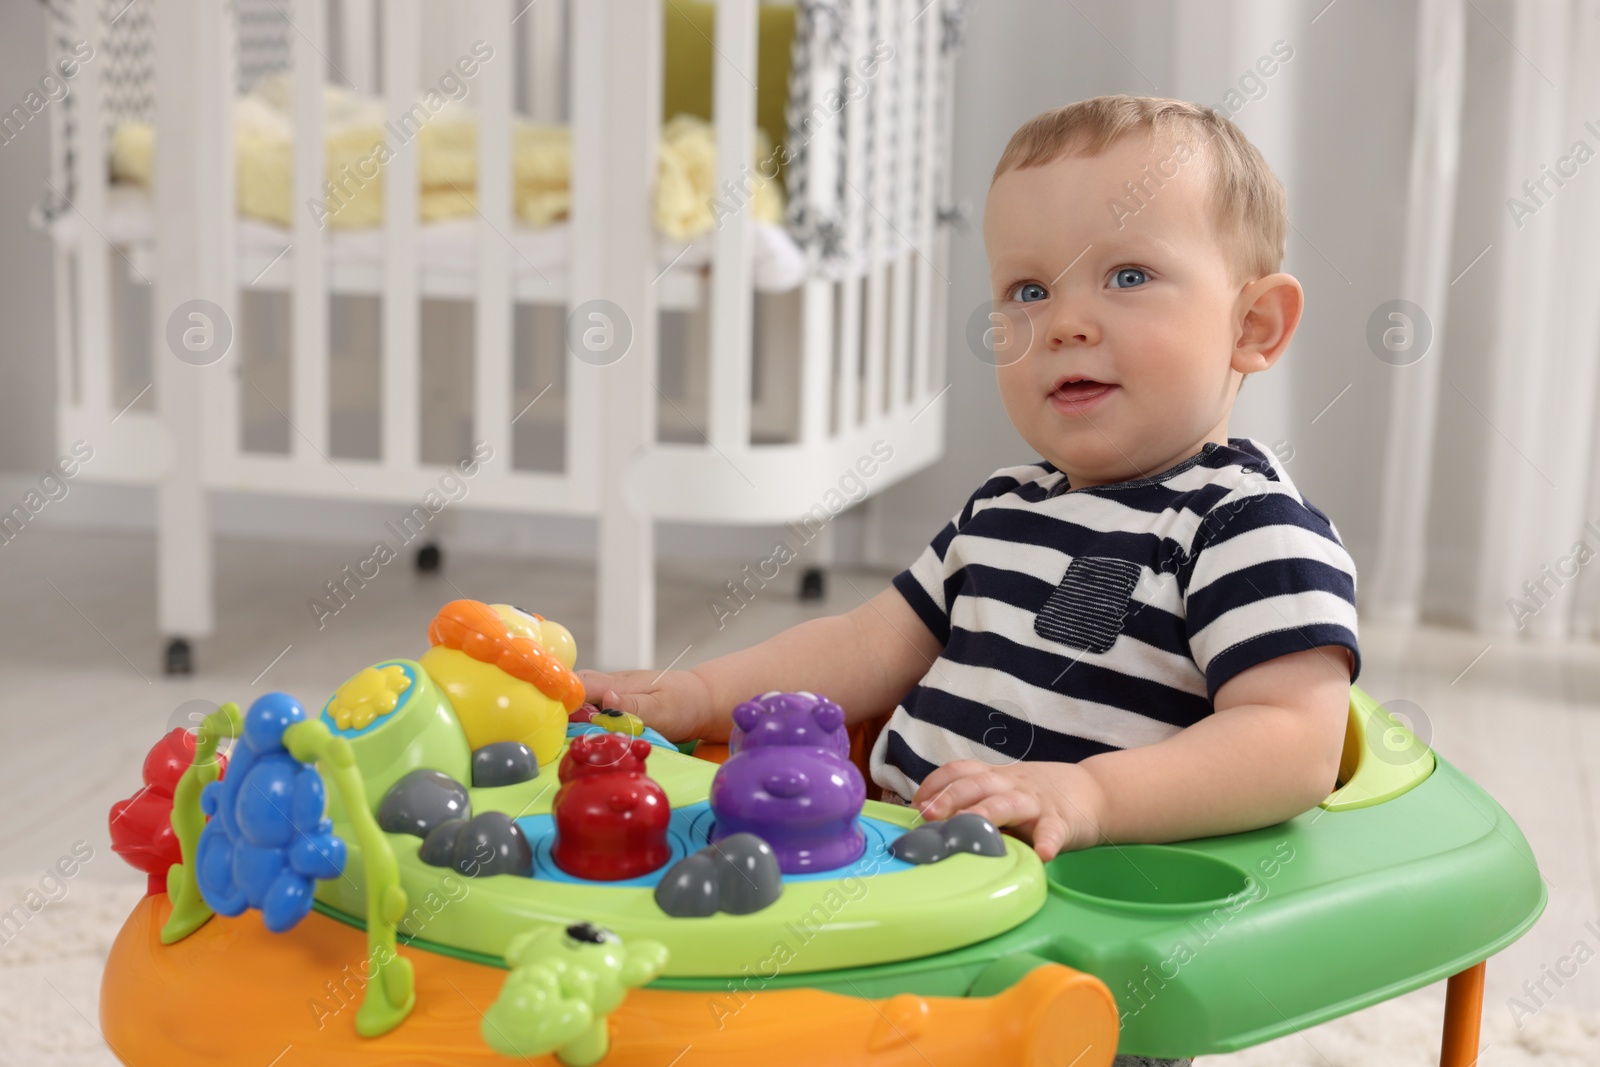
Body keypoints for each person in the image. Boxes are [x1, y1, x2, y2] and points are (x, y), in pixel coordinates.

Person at [581, 96, 1362, 1067]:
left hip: (1068, 944)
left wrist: (1089, 797)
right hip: (882, 877)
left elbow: (1293, 743)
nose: (1066, 320)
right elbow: (866, 642)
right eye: (1027, 290)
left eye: (1127, 274)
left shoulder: (1242, 525)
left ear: (1254, 324)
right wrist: (696, 690)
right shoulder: (1001, 506)